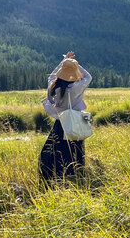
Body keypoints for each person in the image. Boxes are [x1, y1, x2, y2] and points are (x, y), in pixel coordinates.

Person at [39, 51, 92, 184]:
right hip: (75, 122)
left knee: (56, 149)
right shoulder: (77, 87)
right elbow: (88, 77)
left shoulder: (53, 86)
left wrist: (65, 62)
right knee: (75, 150)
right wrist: (75, 65)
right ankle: (74, 175)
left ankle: (54, 177)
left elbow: (51, 76)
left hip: (61, 123)